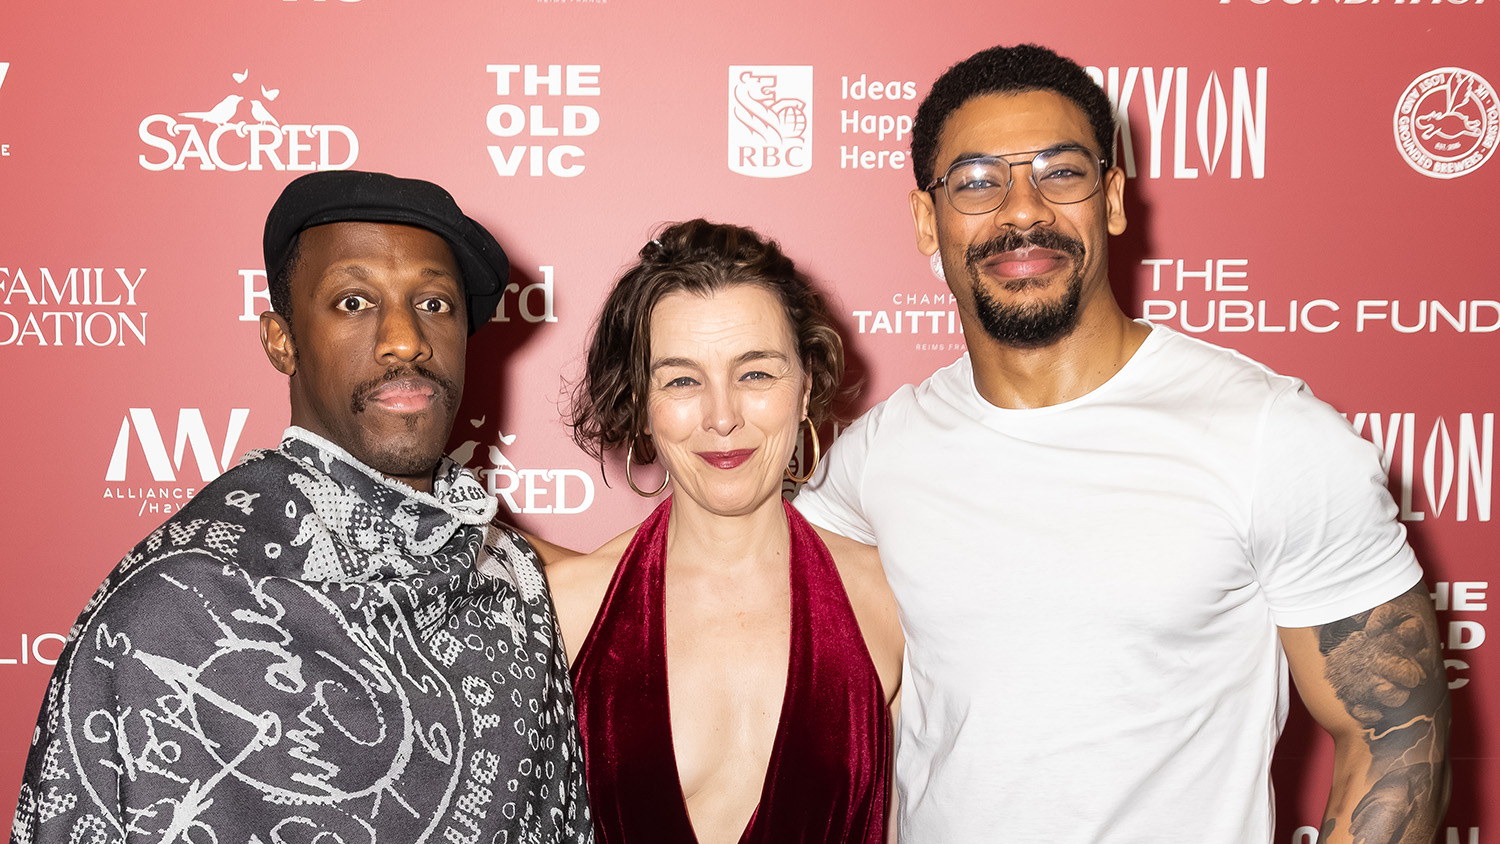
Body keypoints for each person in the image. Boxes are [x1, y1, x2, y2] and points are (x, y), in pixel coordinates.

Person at [795, 44, 1450, 844]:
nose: (1023, 210)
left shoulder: (1270, 436)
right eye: (976, 182)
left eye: (1060, 172)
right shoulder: (877, 457)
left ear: (1110, 198)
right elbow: (744, 594)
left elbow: (1396, 737)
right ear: (928, 220)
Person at [10, 170, 592, 844]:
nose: (405, 339)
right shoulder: (173, 610)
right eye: (352, 302)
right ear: (280, 340)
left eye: (434, 304)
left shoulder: (512, 585)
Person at [549, 220, 903, 844]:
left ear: (806, 387)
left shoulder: (890, 600)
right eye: (683, 380)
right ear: (641, 402)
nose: (721, 417)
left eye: (756, 374)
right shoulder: (566, 609)